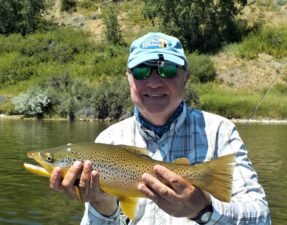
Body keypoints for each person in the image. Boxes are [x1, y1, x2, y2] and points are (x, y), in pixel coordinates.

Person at [50, 32, 271, 225]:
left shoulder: (219, 131)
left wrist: (203, 210)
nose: (154, 82)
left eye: (167, 70)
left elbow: (261, 219)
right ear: (128, 78)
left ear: (186, 76)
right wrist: (103, 206)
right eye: (142, 72)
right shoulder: (108, 139)